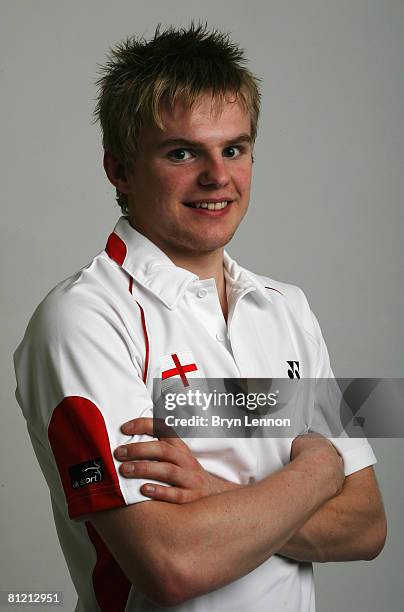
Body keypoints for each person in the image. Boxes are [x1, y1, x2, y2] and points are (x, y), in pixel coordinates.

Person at [14, 23, 386, 612]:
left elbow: (367, 526)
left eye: (234, 149)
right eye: (182, 152)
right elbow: (174, 564)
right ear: (119, 169)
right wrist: (316, 472)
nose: (218, 177)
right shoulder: (81, 320)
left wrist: (214, 494)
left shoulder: (287, 307)